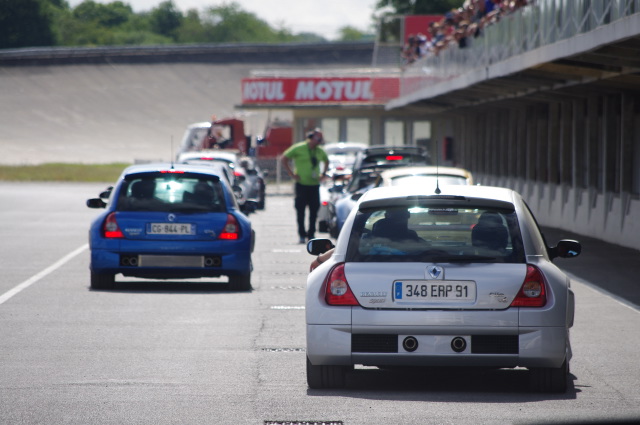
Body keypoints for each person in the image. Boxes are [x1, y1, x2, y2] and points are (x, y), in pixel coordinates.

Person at [281, 128, 329, 243]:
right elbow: (284, 158)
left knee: (314, 210)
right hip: (301, 185)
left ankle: (311, 234)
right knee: (300, 210)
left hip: (314, 185)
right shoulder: (299, 148)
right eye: (318, 138)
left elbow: (326, 161)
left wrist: (323, 174)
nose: (320, 141)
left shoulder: (319, 150)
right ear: (311, 137)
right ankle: (301, 234)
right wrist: (291, 173)